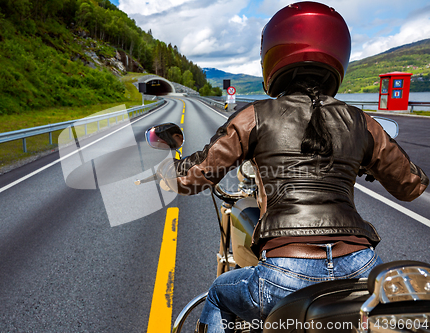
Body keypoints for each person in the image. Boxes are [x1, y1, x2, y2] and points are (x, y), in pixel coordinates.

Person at [158, 2, 428, 332]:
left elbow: (195, 174)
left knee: (218, 293)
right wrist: (365, 162)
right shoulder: (363, 122)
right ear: (338, 52)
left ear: (272, 54)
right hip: (361, 265)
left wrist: (165, 173)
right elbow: (412, 185)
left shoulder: (255, 115)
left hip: (286, 272)